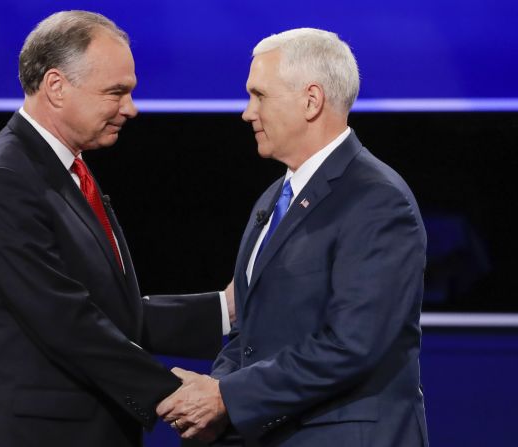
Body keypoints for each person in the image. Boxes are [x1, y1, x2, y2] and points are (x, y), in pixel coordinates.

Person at [0, 10, 232, 447]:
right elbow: (66, 319)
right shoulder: (1, 180)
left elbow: (109, 311)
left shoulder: (62, 171)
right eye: (117, 92)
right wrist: (176, 397)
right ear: (56, 86)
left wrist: (224, 309)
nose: (130, 109)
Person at [157, 28, 429, 447]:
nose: (247, 112)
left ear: (311, 100)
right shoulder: (274, 197)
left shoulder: (377, 200)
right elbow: (249, 333)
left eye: (259, 95)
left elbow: (352, 345)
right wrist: (216, 393)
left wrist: (227, 397)